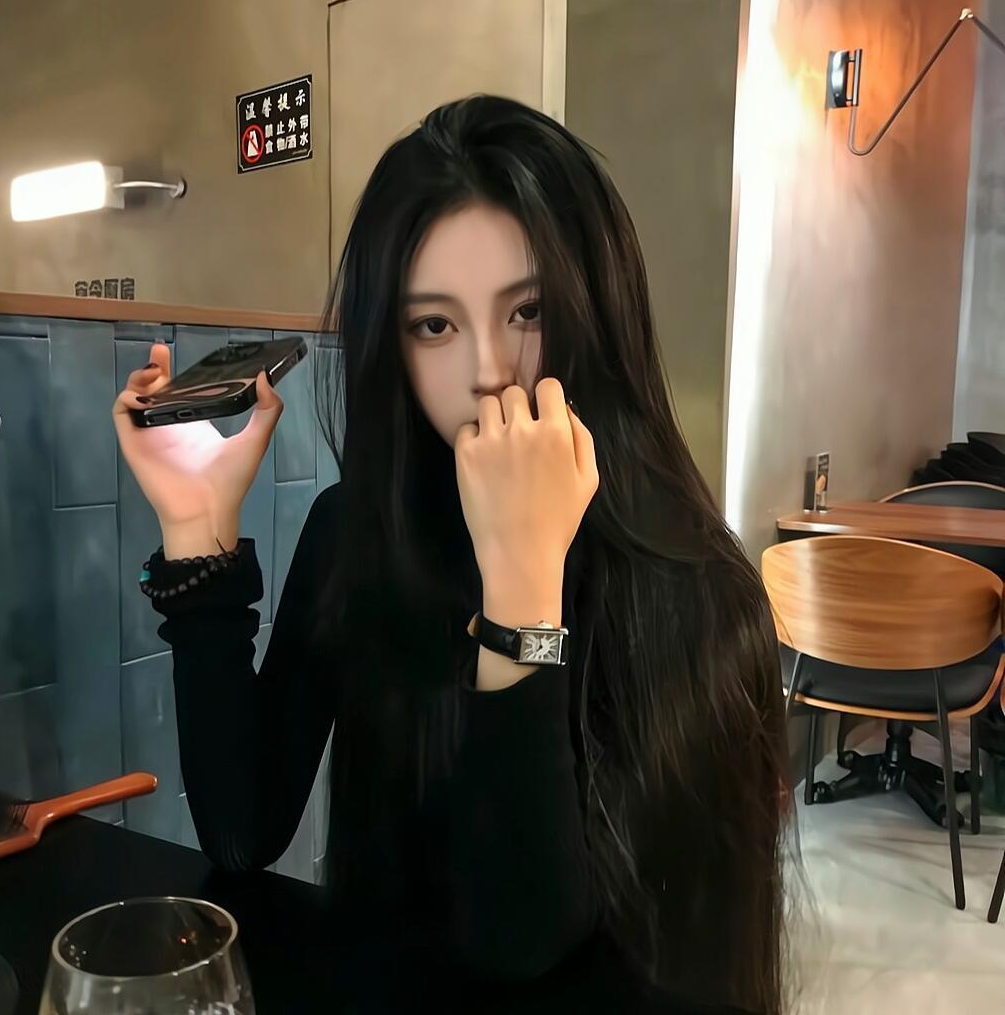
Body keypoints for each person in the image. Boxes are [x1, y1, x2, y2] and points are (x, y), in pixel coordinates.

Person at [113, 95, 792, 1013]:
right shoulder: (358, 533)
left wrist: (522, 586)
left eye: (529, 311)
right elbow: (241, 833)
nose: (486, 372)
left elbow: (521, 941)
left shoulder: (697, 586)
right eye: (434, 325)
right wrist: (199, 532)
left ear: (599, 313)